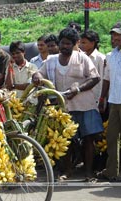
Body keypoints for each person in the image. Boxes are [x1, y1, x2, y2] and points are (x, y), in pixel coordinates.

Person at [32, 28, 103, 182]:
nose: (64, 46)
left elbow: (95, 78)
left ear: (74, 44)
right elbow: (39, 73)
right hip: (63, 107)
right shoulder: (51, 60)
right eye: (62, 43)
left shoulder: (82, 58)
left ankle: (88, 172)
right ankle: (67, 171)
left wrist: (78, 89)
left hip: (84, 105)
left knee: (88, 139)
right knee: (65, 140)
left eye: (68, 43)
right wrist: (36, 76)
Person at [97, 23, 121, 182]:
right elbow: (106, 79)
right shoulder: (110, 56)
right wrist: (102, 98)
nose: (114, 38)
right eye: (113, 35)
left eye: (118, 35)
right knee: (112, 137)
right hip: (114, 101)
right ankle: (112, 171)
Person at [80, 30, 105, 107]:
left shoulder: (100, 58)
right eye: (81, 42)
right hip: (83, 97)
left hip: (95, 98)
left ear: (92, 43)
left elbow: (101, 80)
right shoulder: (81, 56)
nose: (81, 45)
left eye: (84, 43)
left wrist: (101, 99)